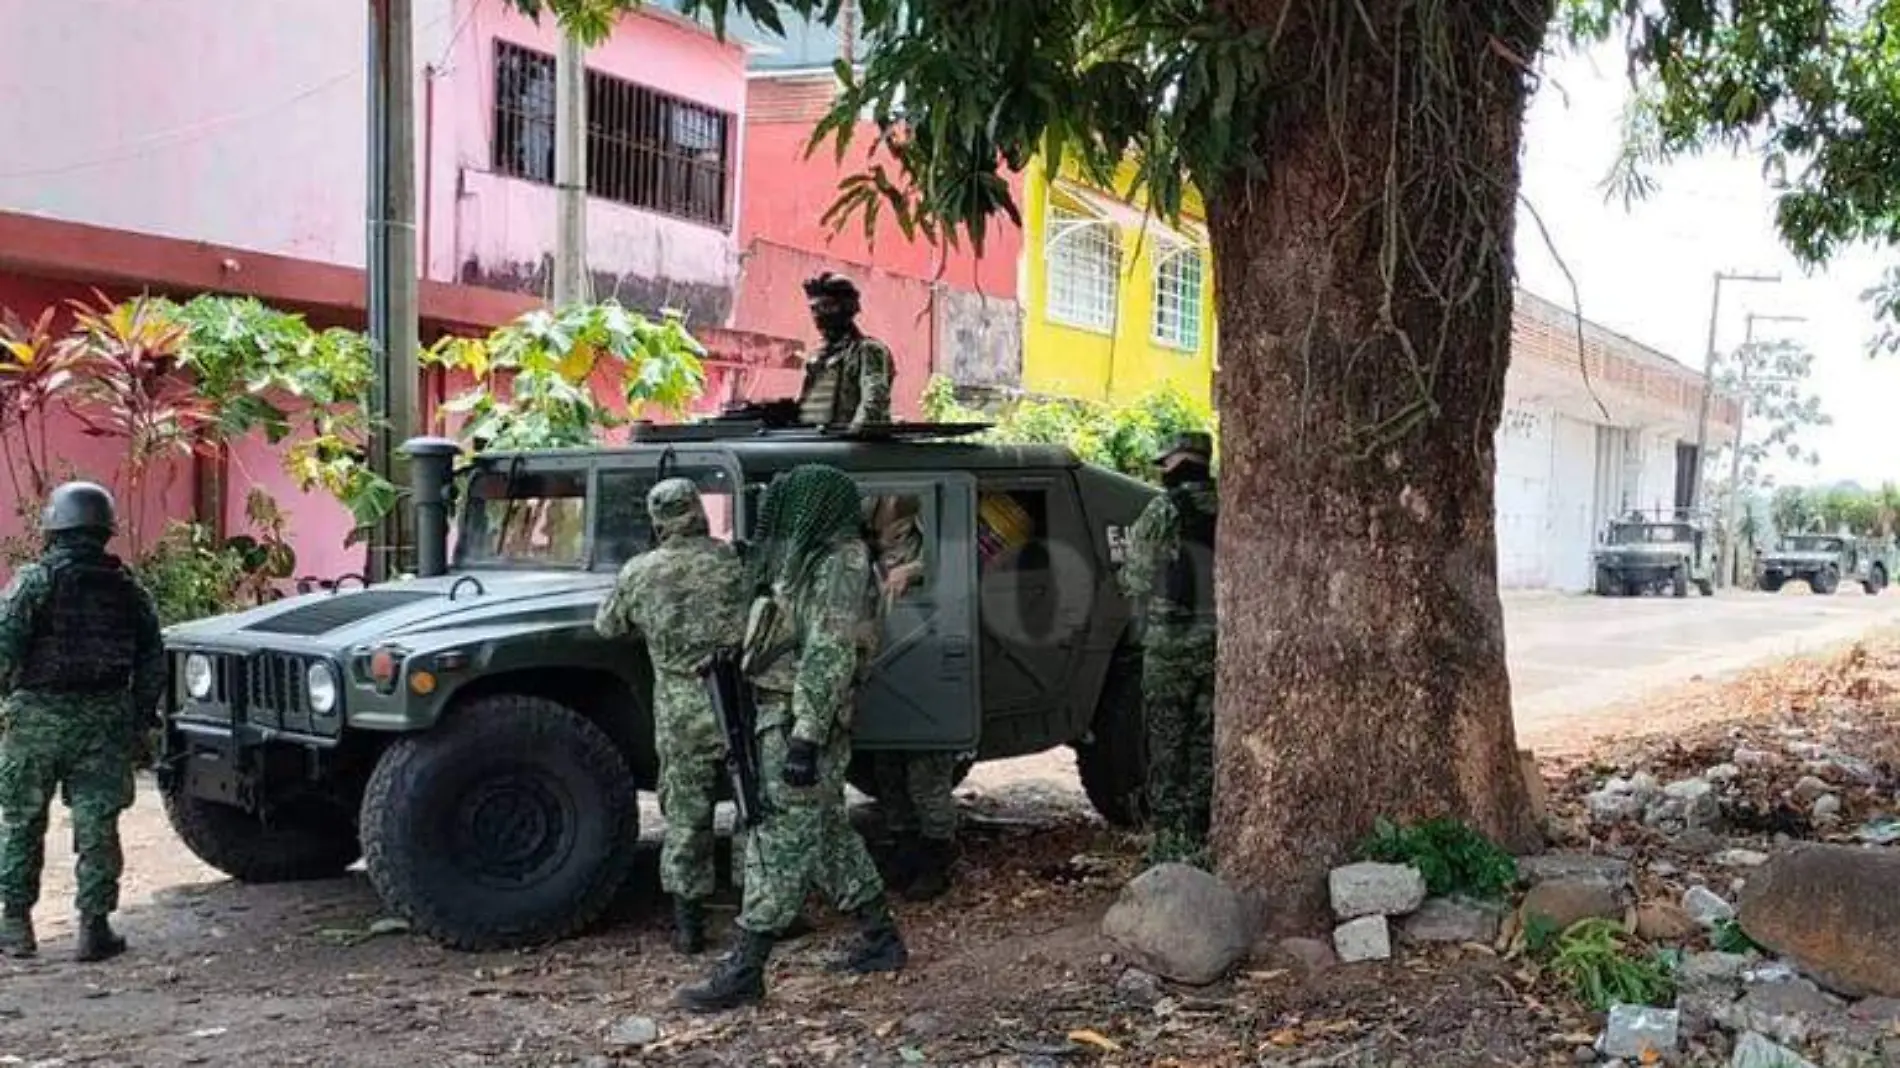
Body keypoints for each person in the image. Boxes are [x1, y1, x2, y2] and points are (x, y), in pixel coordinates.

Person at [678, 464, 905, 1012]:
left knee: (776, 839)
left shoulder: (841, 563)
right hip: (784, 715)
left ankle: (746, 967)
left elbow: (828, 654)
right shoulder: (815, 561)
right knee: (826, 833)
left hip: (803, 722)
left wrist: (804, 739)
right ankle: (882, 938)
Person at [0, 481, 164, 962]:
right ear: (104, 528)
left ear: (56, 525)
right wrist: (137, 715)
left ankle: (15, 927)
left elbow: (4, 642)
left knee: (22, 822)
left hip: (36, 719)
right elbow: (153, 656)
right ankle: (94, 927)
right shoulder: (128, 588)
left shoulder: (35, 581)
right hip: (105, 720)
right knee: (98, 823)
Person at [594, 477, 745, 956]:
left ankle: (689, 924)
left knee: (685, 816)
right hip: (735, 705)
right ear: (698, 511)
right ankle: (758, 910)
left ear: (657, 520)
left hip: (679, 711)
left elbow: (608, 626)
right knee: (751, 809)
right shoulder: (733, 561)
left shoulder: (640, 572)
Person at [1117, 432, 1218, 867]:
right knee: (1203, 745)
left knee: (1165, 745)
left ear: (1178, 460)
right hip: (1217, 644)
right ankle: (1199, 837)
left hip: (1170, 646)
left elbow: (1135, 579)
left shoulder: (1163, 509)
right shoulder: (1232, 502)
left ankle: (1167, 844)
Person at [862, 494, 959, 900]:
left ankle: (937, 860)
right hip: (879, 660)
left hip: (923, 659)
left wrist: (917, 570)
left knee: (926, 773)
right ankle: (903, 851)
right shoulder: (863, 530)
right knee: (887, 769)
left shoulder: (932, 531)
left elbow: (963, 562)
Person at [795, 272, 894, 429]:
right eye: (814, 308)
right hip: (818, 444)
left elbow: (873, 407)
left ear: (846, 308)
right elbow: (807, 411)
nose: (818, 315)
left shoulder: (868, 351)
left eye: (826, 306)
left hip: (853, 447)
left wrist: (849, 441)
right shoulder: (817, 357)